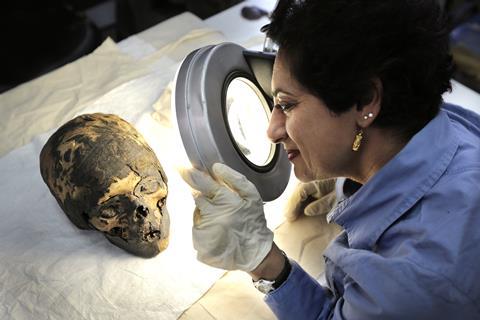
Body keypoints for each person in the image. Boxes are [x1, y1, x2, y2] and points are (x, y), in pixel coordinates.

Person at [179, 0, 480, 319]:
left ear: (365, 100)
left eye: (287, 104)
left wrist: (264, 262)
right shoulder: (440, 126)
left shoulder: (417, 279)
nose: (272, 129)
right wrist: (349, 178)